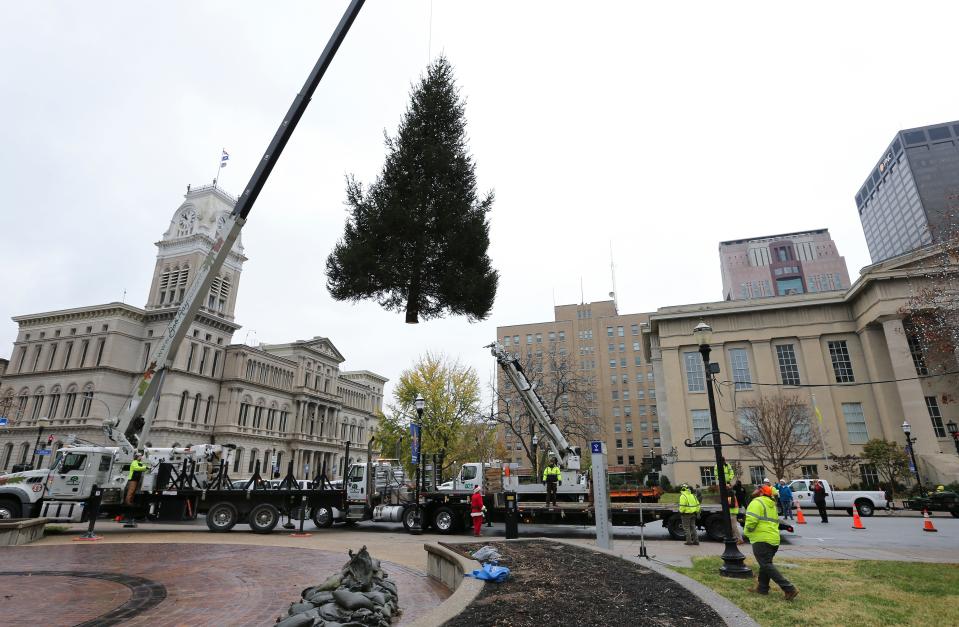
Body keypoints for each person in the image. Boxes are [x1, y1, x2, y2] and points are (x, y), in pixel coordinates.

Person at [745, 485, 798, 599]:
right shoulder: (771, 504)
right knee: (765, 564)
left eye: (757, 488)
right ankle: (762, 588)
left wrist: (747, 532)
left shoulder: (756, 502)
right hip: (773, 539)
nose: (754, 490)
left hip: (761, 539)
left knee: (766, 564)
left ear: (760, 492)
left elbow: (751, 521)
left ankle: (789, 588)